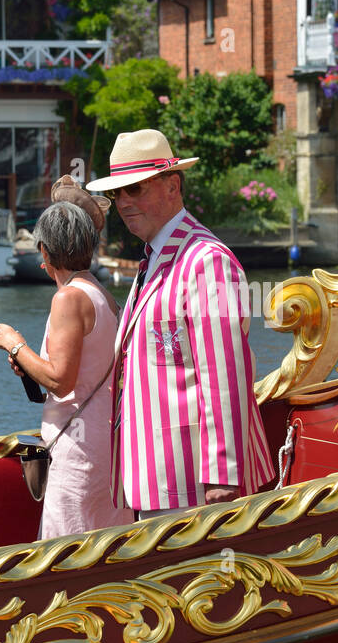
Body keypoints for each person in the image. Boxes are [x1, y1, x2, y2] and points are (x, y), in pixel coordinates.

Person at [85, 129, 275, 517]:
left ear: (173, 186)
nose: (123, 201)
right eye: (116, 193)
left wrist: (223, 475)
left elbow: (225, 375)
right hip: (159, 477)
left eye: (134, 188)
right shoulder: (154, 258)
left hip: (196, 483)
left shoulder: (207, 261)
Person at [0, 192, 129, 539]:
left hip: (78, 446)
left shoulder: (68, 297)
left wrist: (13, 342)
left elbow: (60, 380)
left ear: (46, 253)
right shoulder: (102, 294)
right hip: (105, 437)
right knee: (107, 540)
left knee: (68, 544)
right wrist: (28, 362)